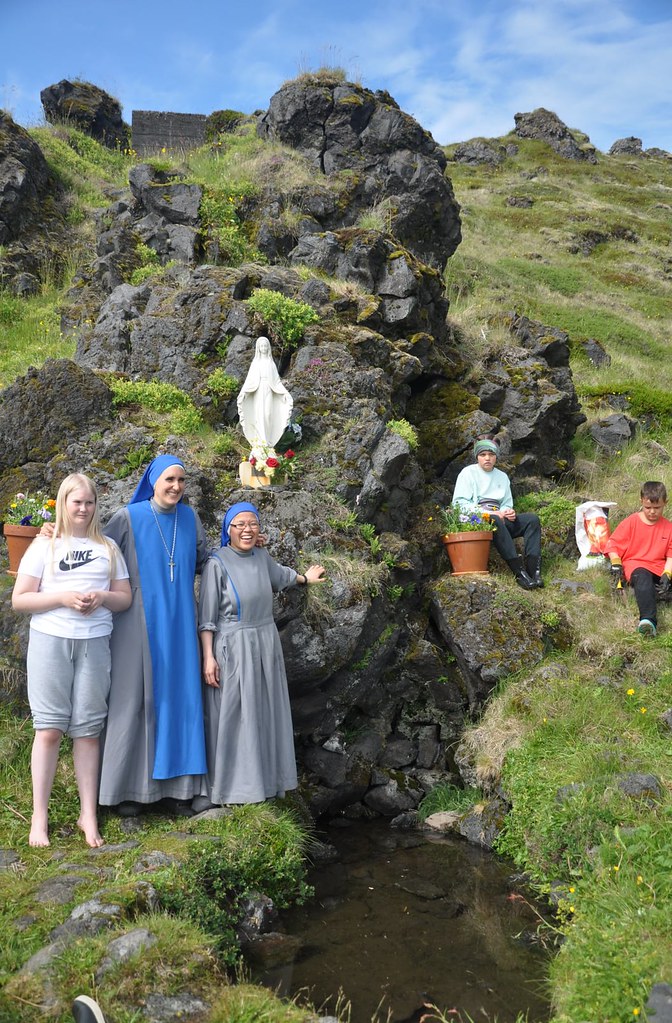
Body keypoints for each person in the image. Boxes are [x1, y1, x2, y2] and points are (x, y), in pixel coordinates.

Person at [11, 474, 132, 848]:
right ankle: (39, 817)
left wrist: (101, 597)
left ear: (96, 506)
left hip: (95, 643)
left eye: (89, 502)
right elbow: (21, 599)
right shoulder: (43, 546)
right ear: (63, 504)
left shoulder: (108, 547)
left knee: (88, 731)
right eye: (76, 502)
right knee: (48, 729)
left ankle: (88, 815)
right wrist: (63, 598)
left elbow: (124, 597)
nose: (83, 509)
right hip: (51, 641)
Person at [98, 455, 209, 816]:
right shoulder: (129, 518)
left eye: (181, 480)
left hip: (179, 626)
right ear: (153, 481)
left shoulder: (190, 519)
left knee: (181, 702)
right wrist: (55, 535)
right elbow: (99, 555)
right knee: (135, 702)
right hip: (136, 625)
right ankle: (127, 790)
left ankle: (180, 790)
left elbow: (207, 561)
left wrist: (248, 550)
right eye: (169, 479)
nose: (176, 486)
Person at [198, 501, 325, 805]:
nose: (247, 530)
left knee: (263, 712)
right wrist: (208, 657)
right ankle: (229, 789)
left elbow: (280, 576)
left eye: (252, 523)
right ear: (228, 531)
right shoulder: (217, 563)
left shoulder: (261, 555)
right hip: (234, 644)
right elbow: (206, 618)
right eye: (239, 524)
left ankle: (264, 783)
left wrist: (304, 578)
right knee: (235, 717)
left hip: (265, 642)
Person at [452, 435, 543, 590]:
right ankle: (519, 572)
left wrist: (507, 511)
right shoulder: (467, 473)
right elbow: (459, 503)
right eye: (483, 455)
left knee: (532, 520)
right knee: (494, 519)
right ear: (477, 457)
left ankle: (534, 571)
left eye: (491, 454)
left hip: (499, 517)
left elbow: (506, 503)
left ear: (496, 457)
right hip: (477, 519)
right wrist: (486, 513)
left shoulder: (502, 476)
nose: (487, 458)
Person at [605, 480, 672, 637]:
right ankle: (648, 621)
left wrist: (667, 574)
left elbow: (670, 555)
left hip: (660, 569)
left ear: (665, 503)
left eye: (657, 508)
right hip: (637, 567)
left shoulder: (669, 527)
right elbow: (613, 545)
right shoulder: (631, 522)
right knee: (642, 576)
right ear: (641, 501)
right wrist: (616, 563)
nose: (652, 512)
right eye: (648, 507)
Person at [237, 336, 293, 454]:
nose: (263, 348)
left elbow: (276, 381)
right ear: (258, 348)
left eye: (265, 346)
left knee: (267, 414)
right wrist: (244, 393)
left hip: (268, 390)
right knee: (259, 415)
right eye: (261, 346)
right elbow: (250, 381)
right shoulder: (255, 363)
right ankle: (260, 443)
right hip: (258, 391)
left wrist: (283, 393)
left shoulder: (271, 363)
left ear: (268, 348)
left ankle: (267, 441)